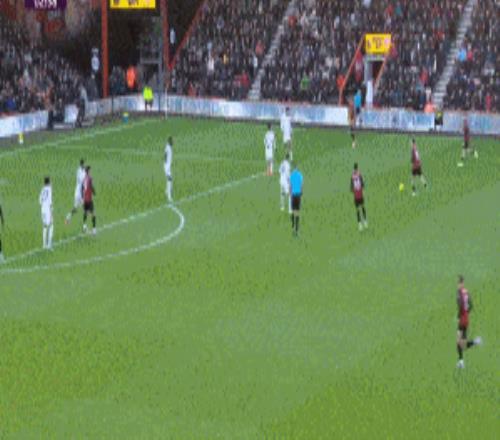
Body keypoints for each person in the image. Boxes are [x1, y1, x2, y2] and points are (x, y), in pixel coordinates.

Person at [456, 275, 482, 368]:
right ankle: (461, 361)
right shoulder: (466, 292)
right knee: (461, 343)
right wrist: (466, 313)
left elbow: (460, 305)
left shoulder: (459, 293)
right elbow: (471, 306)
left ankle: (461, 362)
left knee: (459, 342)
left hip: (462, 320)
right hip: (466, 319)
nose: (458, 285)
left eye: (459, 283)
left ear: (461, 283)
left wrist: (459, 316)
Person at [65, 159, 86, 224]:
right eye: (83, 164)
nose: (83, 165)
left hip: (78, 192)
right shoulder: (79, 171)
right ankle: (84, 226)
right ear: (81, 164)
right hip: (79, 193)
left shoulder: (83, 171)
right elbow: (82, 182)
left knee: (75, 208)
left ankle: (68, 217)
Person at [351, 163, 367, 231]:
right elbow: (363, 185)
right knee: (360, 208)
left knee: (360, 208)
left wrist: (355, 189)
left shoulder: (354, 176)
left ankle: (362, 223)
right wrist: (359, 188)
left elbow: (351, 188)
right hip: (358, 195)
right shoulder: (358, 175)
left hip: (357, 196)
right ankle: (362, 223)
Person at [39, 176, 54, 250]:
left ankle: (44, 245)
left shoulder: (42, 189)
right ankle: (49, 245)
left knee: (45, 226)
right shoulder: (49, 189)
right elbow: (50, 201)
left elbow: (39, 201)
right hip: (47, 209)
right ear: (49, 182)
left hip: (42, 209)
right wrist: (51, 211)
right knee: (51, 225)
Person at [289, 162, 303, 236]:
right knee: (297, 212)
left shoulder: (291, 176)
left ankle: (293, 228)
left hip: (293, 195)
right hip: (298, 195)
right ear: (297, 168)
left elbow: (290, 186)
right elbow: (301, 185)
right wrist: (301, 192)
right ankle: (297, 230)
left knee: (293, 211)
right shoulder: (300, 175)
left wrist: (290, 193)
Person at [82, 166, 97, 235]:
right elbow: (91, 186)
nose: (90, 171)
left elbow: (82, 188)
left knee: (85, 212)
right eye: (90, 170)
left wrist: (83, 196)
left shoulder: (84, 179)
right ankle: (94, 229)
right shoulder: (90, 178)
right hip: (89, 199)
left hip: (85, 199)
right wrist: (94, 192)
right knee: (93, 214)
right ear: (88, 171)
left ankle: (84, 226)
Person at [164, 136, 173, 202]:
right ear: (169, 141)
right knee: (169, 179)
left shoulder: (169, 146)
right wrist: (167, 165)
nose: (173, 142)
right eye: (172, 141)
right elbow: (165, 155)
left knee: (169, 179)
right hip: (167, 166)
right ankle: (169, 196)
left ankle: (167, 191)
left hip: (167, 166)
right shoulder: (168, 147)